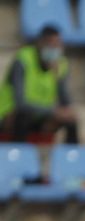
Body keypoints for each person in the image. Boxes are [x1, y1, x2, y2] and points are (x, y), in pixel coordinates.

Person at [0, 25, 78, 181]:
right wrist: (52, 111)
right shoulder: (23, 60)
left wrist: (67, 110)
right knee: (22, 116)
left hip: (40, 117)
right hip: (9, 116)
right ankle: (20, 171)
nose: (55, 49)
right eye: (51, 44)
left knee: (71, 121)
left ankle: (72, 171)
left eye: (58, 45)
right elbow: (20, 102)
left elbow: (64, 101)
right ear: (41, 43)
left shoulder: (60, 65)